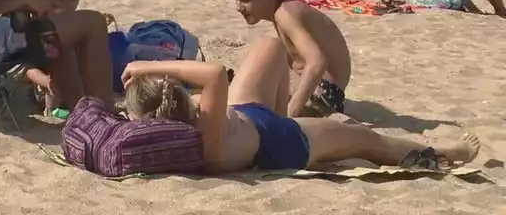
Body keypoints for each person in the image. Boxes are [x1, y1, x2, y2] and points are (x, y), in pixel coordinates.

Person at [123, 36, 478, 174]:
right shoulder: (206, 136)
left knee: (270, 47)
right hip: (282, 141)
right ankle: (442, 152)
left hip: (250, 117)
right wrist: (147, 67)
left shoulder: (191, 126)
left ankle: (287, 109)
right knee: (364, 139)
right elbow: (215, 72)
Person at [226, 0, 352, 117]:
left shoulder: (284, 13)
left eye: (245, 0)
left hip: (323, 94)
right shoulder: (284, 10)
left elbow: (317, 61)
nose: (238, 7)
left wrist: (291, 112)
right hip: (329, 93)